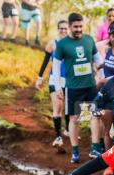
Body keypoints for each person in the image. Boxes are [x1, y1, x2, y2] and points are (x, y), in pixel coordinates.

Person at [52, 12, 103, 163]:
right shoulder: (62, 44)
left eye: (81, 26)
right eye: (75, 27)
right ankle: (75, 151)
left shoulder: (88, 40)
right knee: (74, 119)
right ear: (69, 27)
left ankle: (95, 148)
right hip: (73, 88)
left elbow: (97, 60)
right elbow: (55, 66)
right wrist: (57, 86)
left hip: (90, 85)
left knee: (95, 115)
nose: (79, 29)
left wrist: (101, 76)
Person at [36, 19, 70, 148]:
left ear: (69, 29)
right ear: (58, 29)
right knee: (57, 108)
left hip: (70, 80)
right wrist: (39, 77)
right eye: (61, 28)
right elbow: (45, 62)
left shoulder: (72, 44)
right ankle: (58, 137)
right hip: (55, 80)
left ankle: (67, 129)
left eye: (65, 28)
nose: (63, 30)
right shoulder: (52, 44)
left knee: (69, 107)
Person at [96, 22, 114, 88]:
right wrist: (99, 67)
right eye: (113, 36)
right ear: (109, 37)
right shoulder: (108, 50)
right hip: (107, 87)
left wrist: (103, 82)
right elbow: (108, 63)